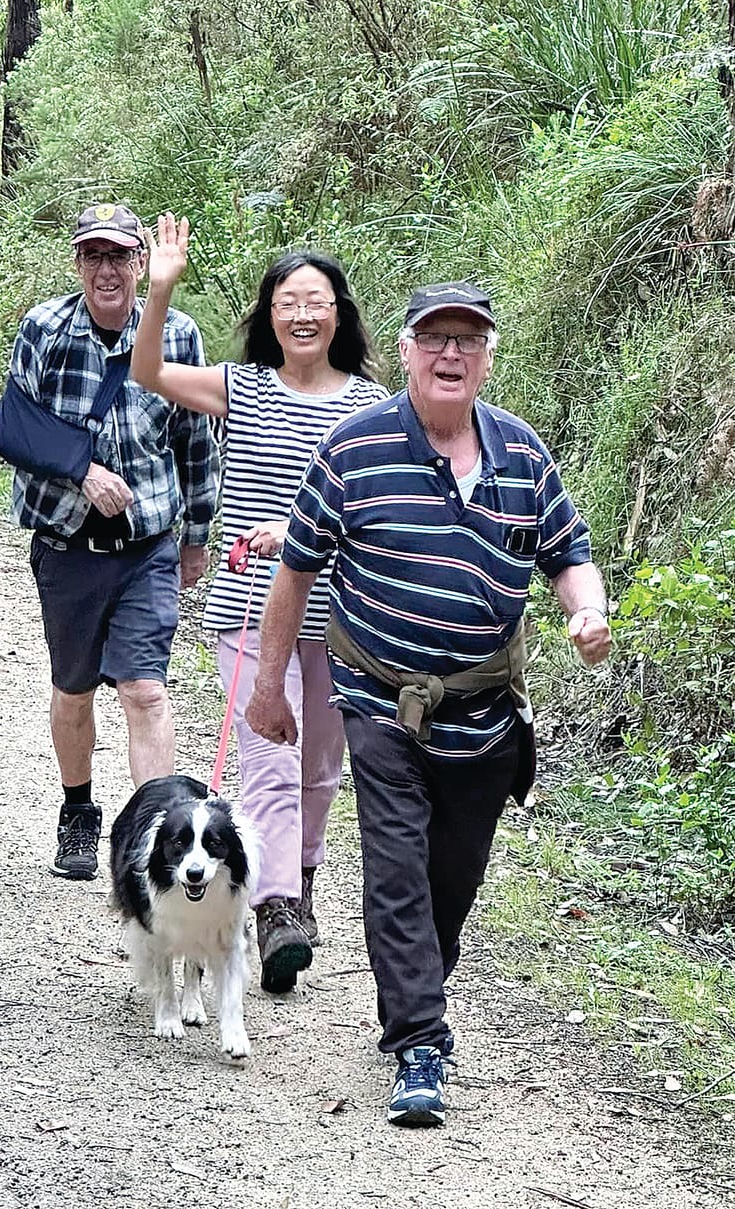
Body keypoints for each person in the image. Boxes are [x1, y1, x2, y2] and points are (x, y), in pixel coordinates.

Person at [244, 280, 611, 1125]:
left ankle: (413, 992)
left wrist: (586, 609)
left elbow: (569, 554)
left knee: (453, 878)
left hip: (483, 715)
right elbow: (296, 570)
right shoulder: (354, 448)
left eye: (468, 340)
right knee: (398, 870)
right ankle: (420, 1042)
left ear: (487, 356)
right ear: (405, 351)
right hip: (378, 701)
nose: (452, 354)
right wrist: (269, 687)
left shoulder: (523, 456)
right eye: (435, 339)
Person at [132, 213, 387, 993]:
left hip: (344, 617)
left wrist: (308, 534)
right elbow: (148, 372)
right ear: (268, 316)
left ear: (338, 313)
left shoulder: (376, 407)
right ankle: (274, 905)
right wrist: (162, 288)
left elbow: (382, 507)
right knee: (269, 756)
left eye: (316, 300)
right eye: (286, 301)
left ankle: (297, 885)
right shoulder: (242, 388)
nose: (302, 313)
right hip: (251, 607)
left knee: (319, 770)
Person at [2, 202, 219, 881]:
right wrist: (83, 470)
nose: (107, 269)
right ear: (78, 263)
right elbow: (15, 429)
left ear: (139, 264)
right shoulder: (44, 329)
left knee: (145, 691)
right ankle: (77, 809)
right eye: (93, 255)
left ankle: (158, 835)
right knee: (72, 691)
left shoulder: (177, 336)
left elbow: (195, 442)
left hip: (147, 544)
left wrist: (196, 536)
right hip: (66, 545)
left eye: (120, 256)